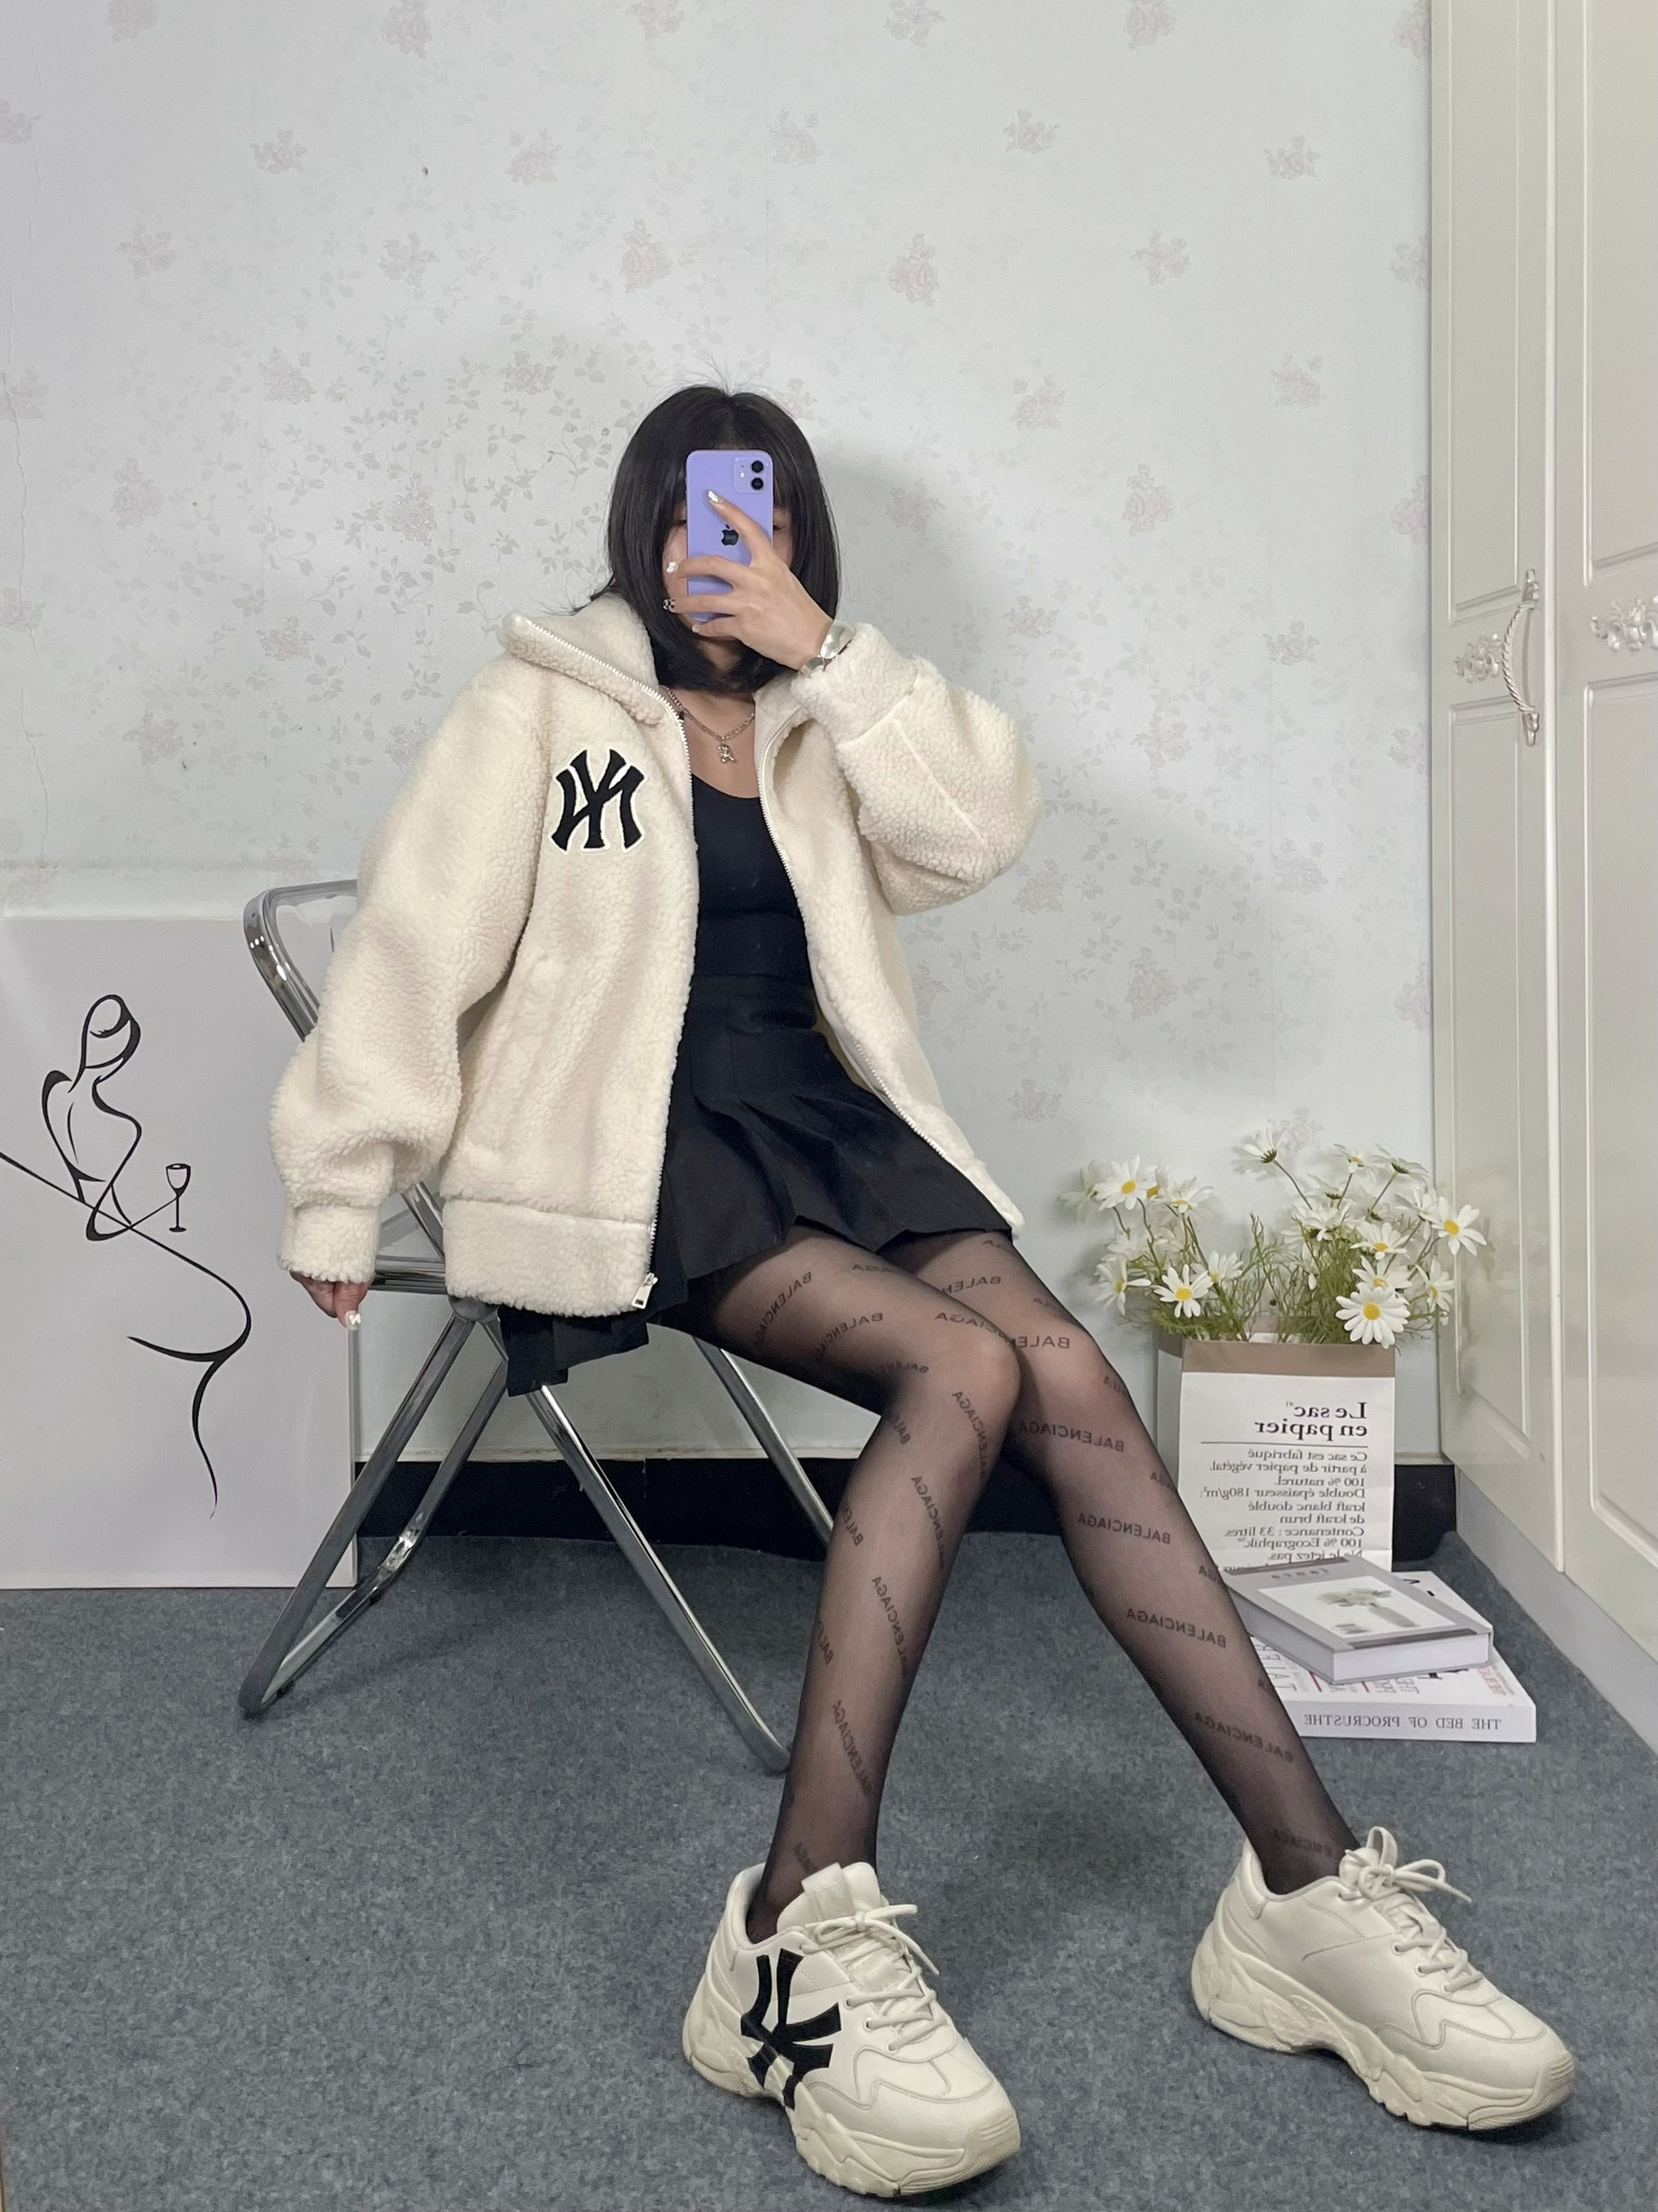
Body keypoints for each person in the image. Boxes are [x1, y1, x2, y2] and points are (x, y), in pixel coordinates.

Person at [270, 386, 1575, 2196]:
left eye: (754, 520)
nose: (714, 551)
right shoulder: (536, 707)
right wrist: (341, 1188)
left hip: (829, 1119)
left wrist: (830, 654)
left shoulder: (821, 708)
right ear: (636, 530)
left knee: (1062, 1370)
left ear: (796, 536)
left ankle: (1301, 1888)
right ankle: (793, 1919)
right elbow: (414, 949)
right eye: (685, 519)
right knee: (962, 1370)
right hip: (641, 1149)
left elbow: (975, 832)